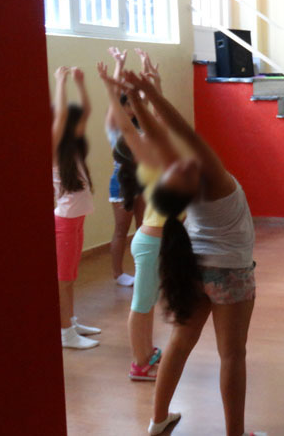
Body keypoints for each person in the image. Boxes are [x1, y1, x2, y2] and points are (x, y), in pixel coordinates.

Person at [108, 72, 258, 436]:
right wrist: (146, 94)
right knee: (232, 354)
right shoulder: (210, 175)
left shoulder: (174, 180)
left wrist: (141, 101)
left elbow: (164, 136)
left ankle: (158, 420)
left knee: (179, 342)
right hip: (230, 272)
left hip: (194, 268)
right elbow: (181, 132)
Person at [98, 52, 171, 382]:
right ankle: (139, 364)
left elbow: (159, 119)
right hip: (150, 243)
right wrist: (111, 88)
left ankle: (147, 351)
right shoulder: (150, 160)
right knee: (141, 306)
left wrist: (154, 84)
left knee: (148, 304)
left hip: (154, 240)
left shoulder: (154, 156)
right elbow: (131, 125)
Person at [51, 66, 100, 350]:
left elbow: (86, 112)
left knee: (70, 278)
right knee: (64, 280)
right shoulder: (53, 148)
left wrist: (80, 83)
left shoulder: (71, 146)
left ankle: (70, 321)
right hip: (65, 222)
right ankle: (65, 333)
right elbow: (60, 116)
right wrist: (60, 81)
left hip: (75, 220)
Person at [105, 47, 144, 287]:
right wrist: (118, 65)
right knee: (122, 229)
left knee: (143, 228)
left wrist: (145, 72)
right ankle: (118, 273)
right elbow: (113, 95)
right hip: (122, 180)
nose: (133, 107)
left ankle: (143, 271)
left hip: (143, 179)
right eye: (129, 104)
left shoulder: (140, 125)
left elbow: (146, 102)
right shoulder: (115, 125)